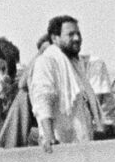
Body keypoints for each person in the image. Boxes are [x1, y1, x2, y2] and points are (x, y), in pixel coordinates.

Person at [30, 15, 98, 147]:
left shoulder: (75, 65)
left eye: (78, 34)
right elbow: (43, 100)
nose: (77, 38)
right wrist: (49, 137)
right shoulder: (46, 62)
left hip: (81, 142)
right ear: (55, 38)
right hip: (59, 145)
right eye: (70, 34)